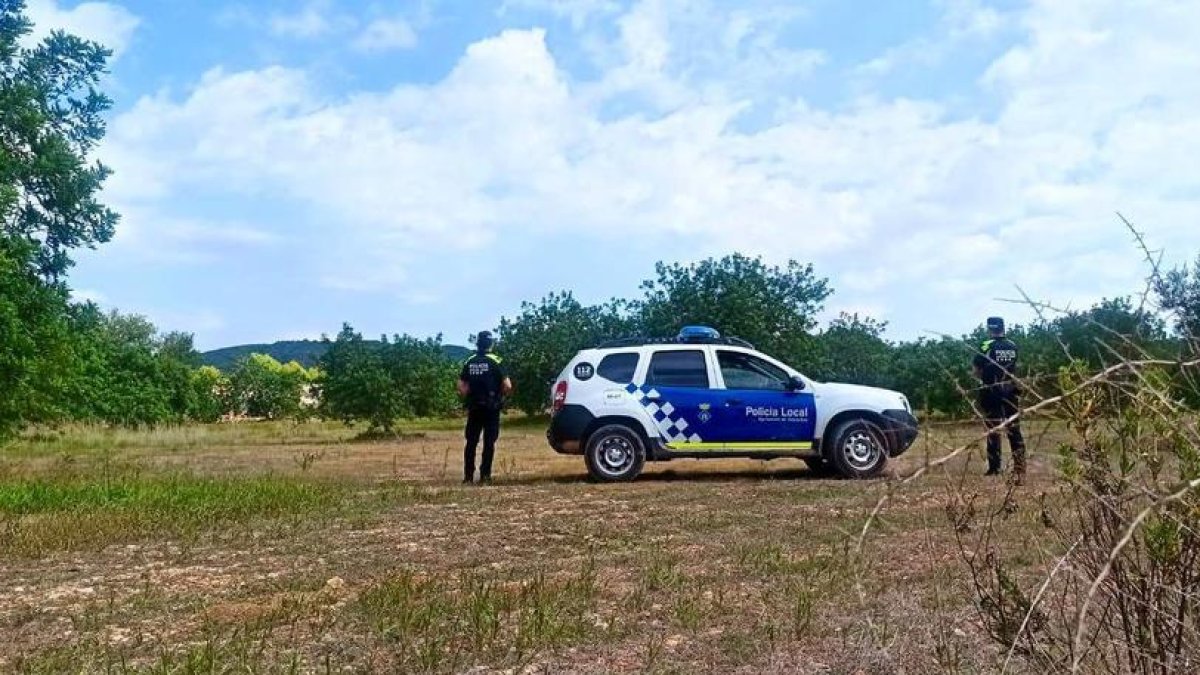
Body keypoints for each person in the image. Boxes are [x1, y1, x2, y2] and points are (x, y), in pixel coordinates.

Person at [973, 317, 1026, 481]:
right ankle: (1020, 466)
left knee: (993, 429)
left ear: (989, 329)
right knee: (1014, 429)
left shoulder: (986, 345)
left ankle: (995, 468)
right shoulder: (1012, 345)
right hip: (1010, 391)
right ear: (1003, 327)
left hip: (991, 392)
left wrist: (983, 378)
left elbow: (976, 369)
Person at [458, 331, 513, 484]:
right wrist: (499, 395)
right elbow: (508, 385)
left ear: (478, 343)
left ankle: (468, 477)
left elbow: (461, 386)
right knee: (489, 442)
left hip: (474, 406)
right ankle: (485, 476)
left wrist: (470, 394)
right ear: (491, 344)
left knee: (471, 442)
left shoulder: (470, 361)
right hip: (491, 407)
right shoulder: (496, 361)